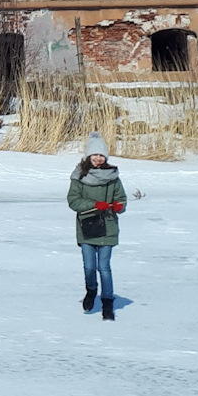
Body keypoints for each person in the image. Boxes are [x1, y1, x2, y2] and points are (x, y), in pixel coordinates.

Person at [67, 132, 127, 320]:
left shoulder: (113, 177)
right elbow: (73, 201)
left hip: (108, 227)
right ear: (88, 156)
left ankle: (107, 301)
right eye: (95, 155)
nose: (98, 159)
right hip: (87, 228)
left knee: (104, 267)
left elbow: (122, 200)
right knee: (89, 267)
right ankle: (91, 291)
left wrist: (119, 206)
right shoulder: (79, 176)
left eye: (102, 156)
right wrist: (94, 205)